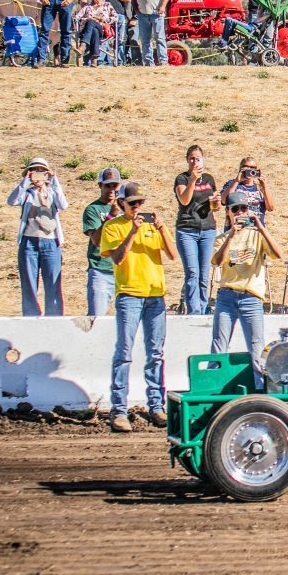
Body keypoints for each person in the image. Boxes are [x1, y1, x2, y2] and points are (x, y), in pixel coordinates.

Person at [98, 182, 175, 433]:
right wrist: (132, 232)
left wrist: (162, 230)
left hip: (155, 294)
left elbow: (173, 255)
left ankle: (156, 405)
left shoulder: (152, 226)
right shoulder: (112, 227)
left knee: (156, 353)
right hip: (129, 294)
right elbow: (117, 258)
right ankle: (118, 409)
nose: (138, 207)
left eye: (140, 202)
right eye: (133, 203)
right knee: (124, 352)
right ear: (122, 204)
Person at [211, 191, 283, 389]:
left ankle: (260, 389)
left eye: (244, 208)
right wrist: (232, 234)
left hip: (251, 297)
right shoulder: (222, 237)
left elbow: (278, 254)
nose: (240, 213)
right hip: (227, 295)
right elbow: (217, 261)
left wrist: (261, 226)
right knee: (219, 344)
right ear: (228, 213)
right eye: (236, 209)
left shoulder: (257, 236)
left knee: (256, 346)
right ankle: (214, 389)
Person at [7, 157, 67, 316]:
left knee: (53, 284)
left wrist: (54, 180)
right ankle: (30, 316)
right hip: (28, 242)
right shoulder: (27, 193)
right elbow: (12, 201)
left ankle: (54, 317)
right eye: (35, 171)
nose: (39, 175)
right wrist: (25, 182)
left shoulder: (53, 192)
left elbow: (63, 205)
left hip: (51, 242)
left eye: (42, 171)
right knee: (29, 285)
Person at [173, 145, 220, 315]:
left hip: (207, 230)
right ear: (187, 160)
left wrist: (216, 201)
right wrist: (192, 180)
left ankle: (203, 309)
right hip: (187, 230)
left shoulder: (208, 178)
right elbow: (184, 200)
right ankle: (194, 312)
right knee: (192, 273)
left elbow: (216, 207)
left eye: (198, 158)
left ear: (203, 159)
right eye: (192, 158)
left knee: (204, 274)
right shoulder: (182, 179)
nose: (195, 161)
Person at [82, 167, 123, 316]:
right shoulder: (93, 209)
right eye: (107, 185)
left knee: (128, 319)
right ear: (100, 185)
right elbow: (97, 241)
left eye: (115, 185)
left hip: (124, 271)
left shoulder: (127, 208)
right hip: (101, 270)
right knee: (96, 318)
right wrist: (111, 217)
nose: (111, 189)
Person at [97, 0, 133, 66]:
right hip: (105, 13)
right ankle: (102, 61)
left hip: (120, 14)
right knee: (105, 37)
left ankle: (119, 61)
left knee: (120, 39)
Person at [220, 157, 275, 227]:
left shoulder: (259, 187)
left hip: (257, 228)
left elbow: (270, 208)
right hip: (236, 228)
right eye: (247, 167)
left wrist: (264, 187)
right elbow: (224, 200)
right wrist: (237, 181)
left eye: (253, 168)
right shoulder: (233, 184)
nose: (250, 170)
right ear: (241, 168)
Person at [73, 0, 117, 67]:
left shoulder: (107, 5)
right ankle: (94, 59)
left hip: (103, 30)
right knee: (93, 30)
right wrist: (87, 18)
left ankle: (82, 46)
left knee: (92, 23)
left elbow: (115, 17)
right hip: (88, 31)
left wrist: (102, 19)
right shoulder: (87, 7)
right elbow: (77, 17)